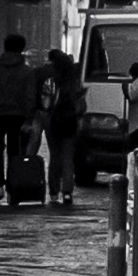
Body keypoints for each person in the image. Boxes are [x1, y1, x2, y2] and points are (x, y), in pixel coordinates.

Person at [0, 32, 42, 206]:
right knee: (15, 151)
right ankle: (14, 186)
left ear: (4, 47)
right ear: (22, 49)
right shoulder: (27, 72)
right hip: (18, 116)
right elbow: (30, 97)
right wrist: (29, 118)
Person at [41, 46, 85, 209]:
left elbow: (46, 105)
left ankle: (53, 192)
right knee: (68, 157)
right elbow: (81, 105)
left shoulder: (50, 82)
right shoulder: (75, 83)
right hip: (71, 122)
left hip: (55, 122)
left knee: (55, 156)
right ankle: (67, 192)